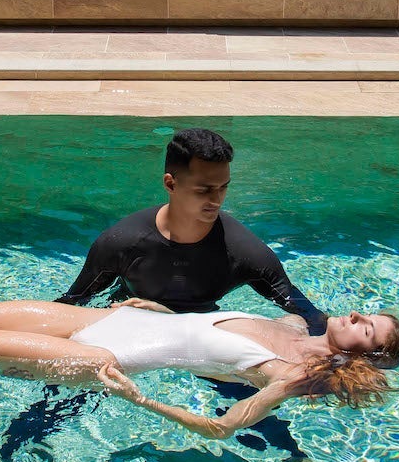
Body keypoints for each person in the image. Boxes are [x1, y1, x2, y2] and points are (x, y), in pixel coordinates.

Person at [0, 300, 399, 440]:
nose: (354, 316)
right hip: (116, 320)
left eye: (366, 328)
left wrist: (137, 400)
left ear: (363, 353)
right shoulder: (296, 326)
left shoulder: (292, 373)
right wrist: (150, 305)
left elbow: (221, 427)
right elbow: (196, 324)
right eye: (365, 313)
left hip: (109, 359)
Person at [58, 128, 326, 334]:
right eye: (204, 189)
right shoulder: (122, 243)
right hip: (130, 325)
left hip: (203, 337)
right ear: (170, 184)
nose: (217, 199)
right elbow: (71, 304)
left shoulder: (244, 252)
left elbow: (307, 314)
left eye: (223, 187)